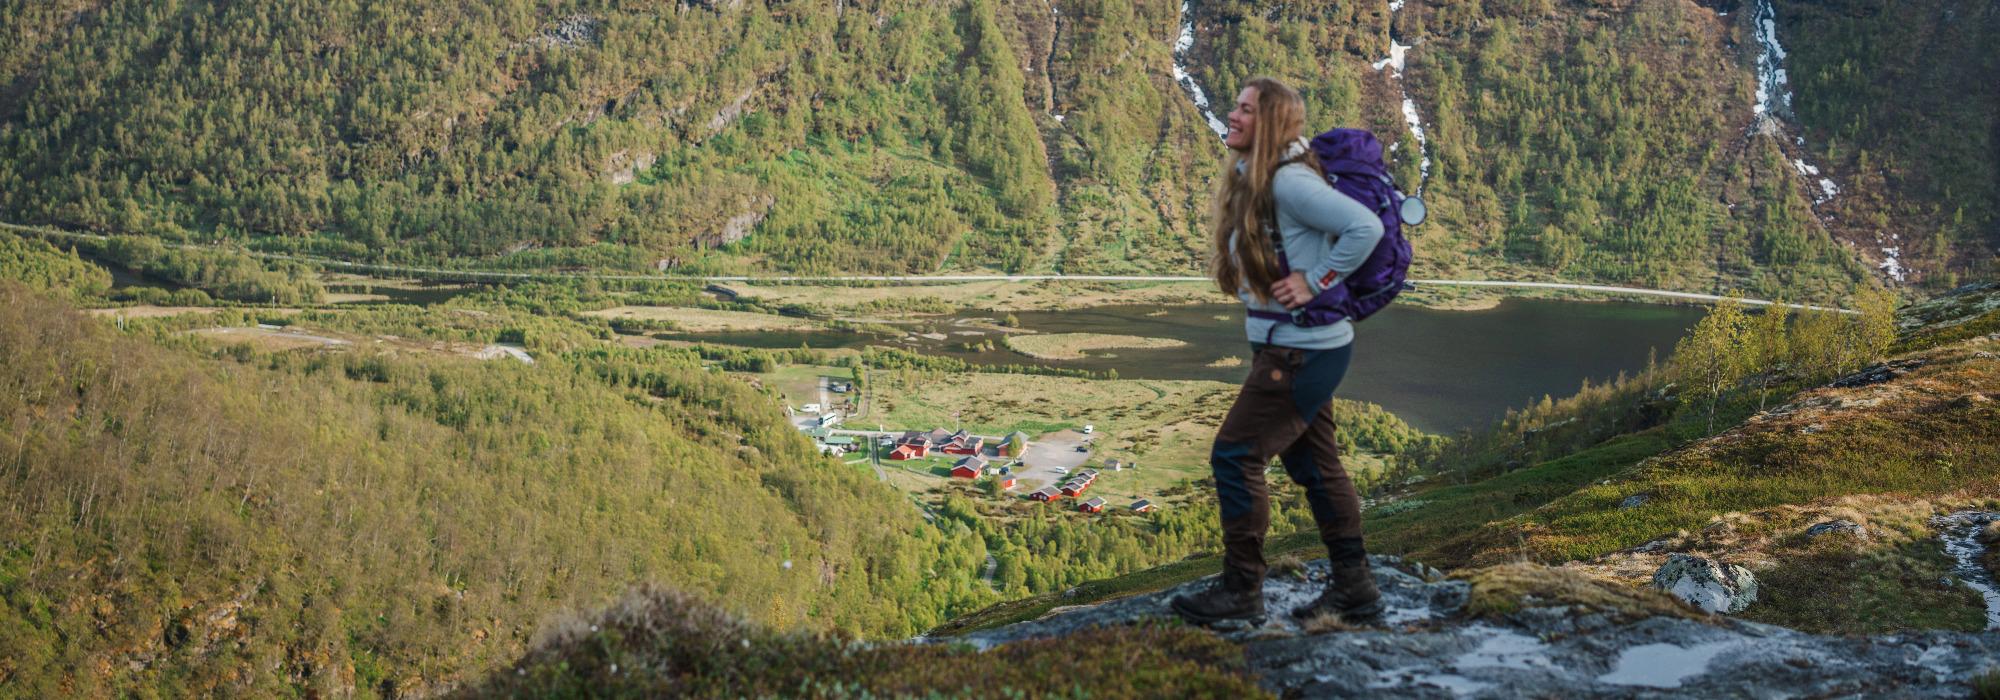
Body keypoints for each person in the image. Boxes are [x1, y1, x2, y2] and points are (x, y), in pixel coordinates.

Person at [1170, 77, 1386, 626]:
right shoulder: (1261, 178)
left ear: (1268, 123)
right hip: (1297, 350)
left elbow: (1365, 227)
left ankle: (1242, 592)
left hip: (1300, 353)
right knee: (1314, 464)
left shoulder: (1289, 182)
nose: (1232, 115)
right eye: (1235, 106)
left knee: (1235, 456)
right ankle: (1354, 587)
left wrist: (1316, 281)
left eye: (1244, 109)